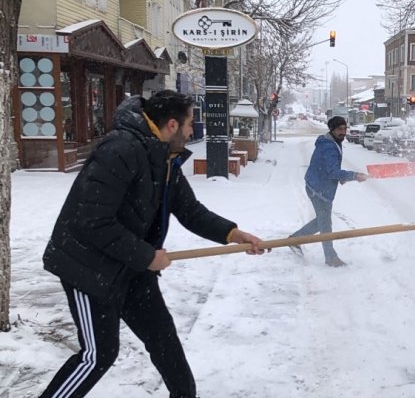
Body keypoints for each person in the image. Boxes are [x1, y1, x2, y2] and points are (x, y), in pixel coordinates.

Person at [39, 90, 266, 398]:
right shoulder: (119, 151)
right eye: (189, 124)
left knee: (163, 339)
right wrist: (147, 256)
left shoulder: (164, 156)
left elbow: (189, 210)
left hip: (131, 265)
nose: (191, 131)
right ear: (172, 125)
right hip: (88, 268)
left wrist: (233, 234)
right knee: (98, 355)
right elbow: (93, 221)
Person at [289, 116, 367, 267]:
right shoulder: (329, 146)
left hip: (319, 185)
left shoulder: (331, 142)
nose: (343, 132)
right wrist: (354, 176)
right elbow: (332, 171)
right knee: (325, 225)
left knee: (322, 222)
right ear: (332, 129)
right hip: (319, 190)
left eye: (345, 129)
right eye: (339, 129)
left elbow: (329, 169)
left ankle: (294, 240)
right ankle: (331, 258)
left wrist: (340, 177)